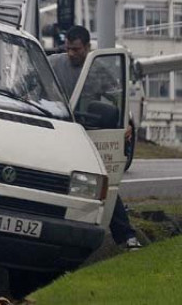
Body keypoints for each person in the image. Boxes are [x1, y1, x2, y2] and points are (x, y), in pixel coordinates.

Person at [48, 25, 142, 251]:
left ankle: (126, 236)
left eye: (77, 49)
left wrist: (126, 123)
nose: (71, 54)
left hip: (88, 133)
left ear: (88, 47)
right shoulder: (53, 64)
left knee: (103, 184)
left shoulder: (97, 70)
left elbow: (118, 99)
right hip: (56, 132)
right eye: (68, 48)